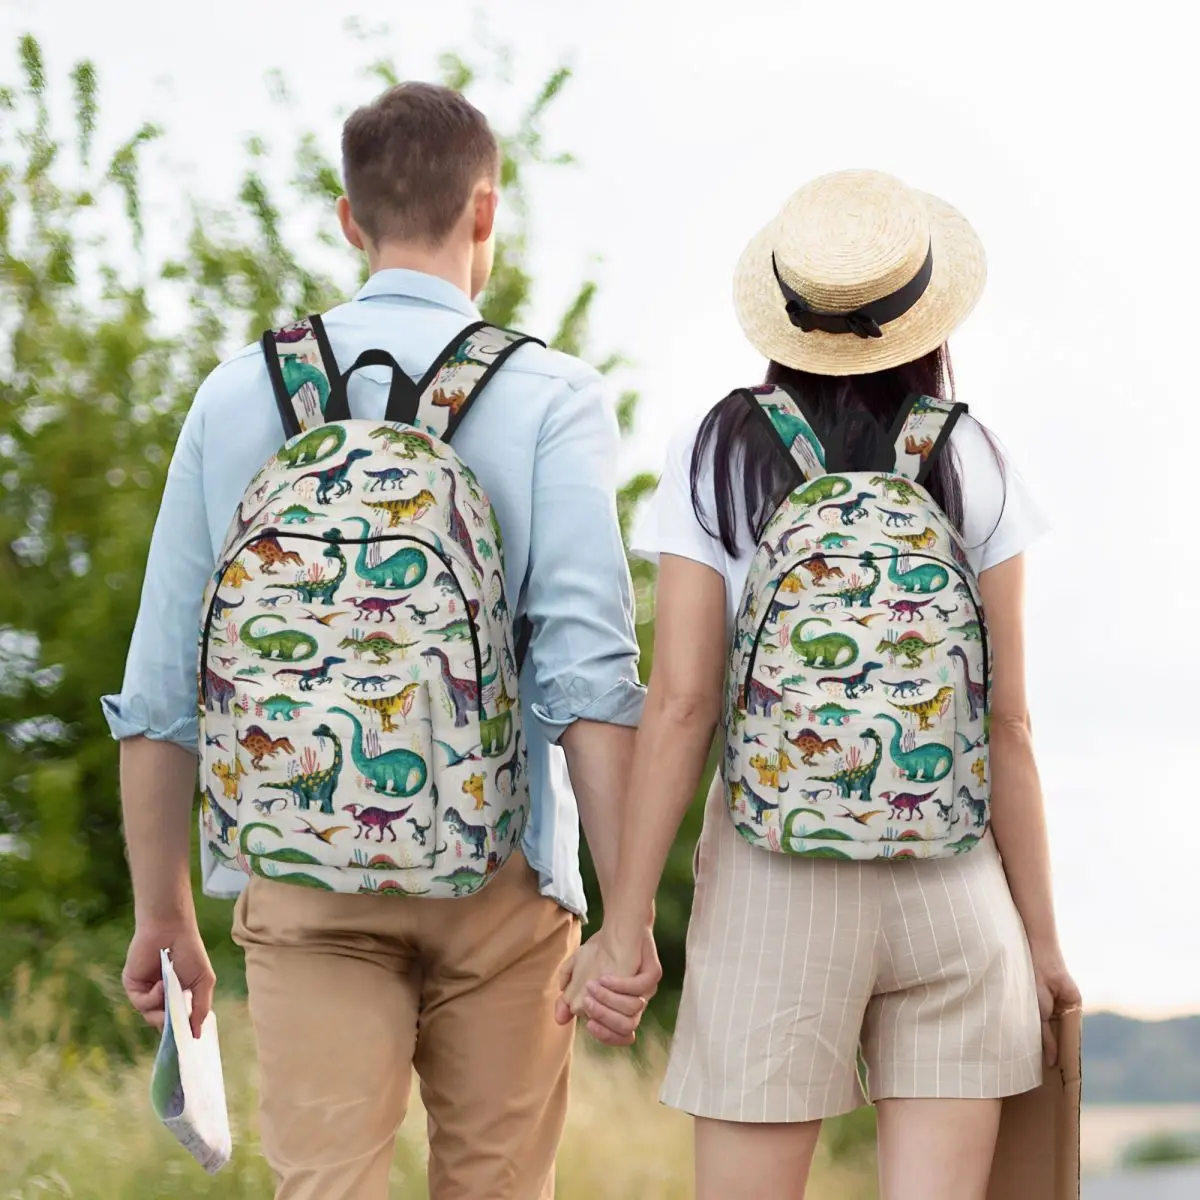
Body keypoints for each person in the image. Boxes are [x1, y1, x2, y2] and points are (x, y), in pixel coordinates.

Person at [105, 81, 660, 1200]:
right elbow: (589, 679)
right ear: (486, 213)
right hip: (502, 879)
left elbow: (163, 684)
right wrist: (627, 915)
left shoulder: (236, 396)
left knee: (325, 1186)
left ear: (349, 219)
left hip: (302, 875)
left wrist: (163, 911)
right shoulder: (551, 395)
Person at [559, 169, 1081, 1200]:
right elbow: (1009, 722)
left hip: (773, 882)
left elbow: (682, 705)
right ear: (924, 314)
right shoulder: (974, 456)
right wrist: (1043, 943)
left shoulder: (717, 450)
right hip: (955, 888)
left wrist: (623, 927)